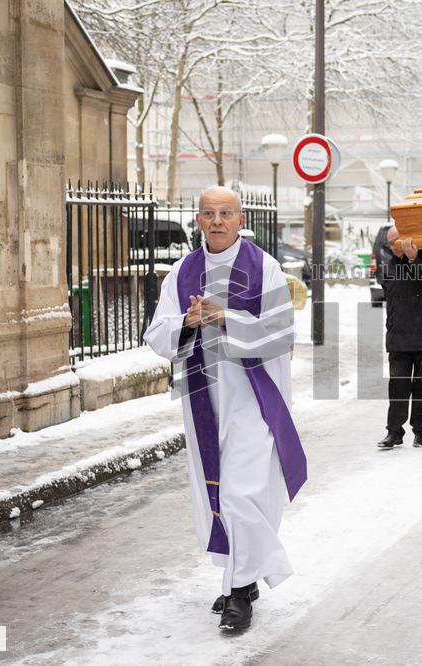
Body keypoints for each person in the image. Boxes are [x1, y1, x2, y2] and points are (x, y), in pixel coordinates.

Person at [143, 185, 306, 632]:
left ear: (241, 219)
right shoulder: (182, 272)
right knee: (218, 494)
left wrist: (225, 317)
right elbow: (156, 335)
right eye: (209, 213)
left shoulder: (265, 268)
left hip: (254, 398)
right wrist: (187, 321)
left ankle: (239, 591)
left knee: (241, 493)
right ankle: (242, 576)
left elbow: (281, 332)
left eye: (226, 213)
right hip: (205, 400)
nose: (217, 221)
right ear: (198, 220)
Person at [378, 227, 422, 449]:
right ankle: (394, 431)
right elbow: (388, 294)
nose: (393, 247)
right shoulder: (388, 265)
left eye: (396, 242)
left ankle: (420, 431)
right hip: (399, 337)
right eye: (390, 244)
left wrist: (413, 259)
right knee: (397, 387)